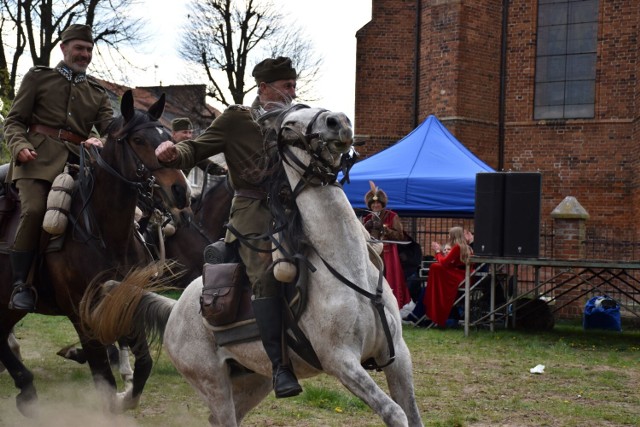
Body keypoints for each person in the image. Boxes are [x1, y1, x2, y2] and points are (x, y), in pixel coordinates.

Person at [155, 56, 301, 398]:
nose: (292, 93)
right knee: (266, 273)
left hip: (294, 209)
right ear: (264, 88)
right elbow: (197, 148)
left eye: (294, 85)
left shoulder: (295, 121)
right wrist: (171, 153)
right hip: (253, 213)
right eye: (286, 86)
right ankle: (280, 367)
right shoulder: (238, 119)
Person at [3, 24, 113, 311]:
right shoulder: (39, 78)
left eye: (89, 50)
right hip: (35, 162)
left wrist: (98, 139)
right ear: (64, 48)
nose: (85, 54)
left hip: (77, 165)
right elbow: (13, 120)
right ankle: (20, 284)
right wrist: (19, 146)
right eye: (79, 48)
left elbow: (111, 130)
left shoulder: (97, 93)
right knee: (36, 210)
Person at [362, 183, 411, 309]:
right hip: (372, 253)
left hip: (389, 255)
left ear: (382, 204)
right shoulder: (367, 217)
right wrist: (364, 229)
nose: (375, 205)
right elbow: (363, 238)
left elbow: (400, 237)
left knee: (390, 282)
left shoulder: (392, 216)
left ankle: (392, 307)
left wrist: (384, 229)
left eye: (378, 203)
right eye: (373, 204)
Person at [422, 226, 473, 327]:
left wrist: (437, 252)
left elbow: (444, 263)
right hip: (463, 275)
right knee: (436, 267)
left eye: (449, 234)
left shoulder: (458, 247)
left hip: (459, 277)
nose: (448, 236)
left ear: (453, 235)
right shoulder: (466, 247)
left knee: (435, 267)